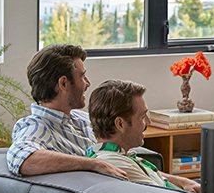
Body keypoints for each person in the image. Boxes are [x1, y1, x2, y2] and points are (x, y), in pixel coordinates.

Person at [7, 45, 128, 179]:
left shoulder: (82, 118)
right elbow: (22, 159)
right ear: (63, 83)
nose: (88, 83)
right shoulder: (36, 126)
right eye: (82, 76)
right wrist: (94, 164)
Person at [86, 80, 201, 193]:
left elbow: (154, 175)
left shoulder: (115, 154)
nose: (148, 122)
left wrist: (185, 182)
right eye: (142, 117)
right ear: (120, 124)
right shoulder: (115, 164)